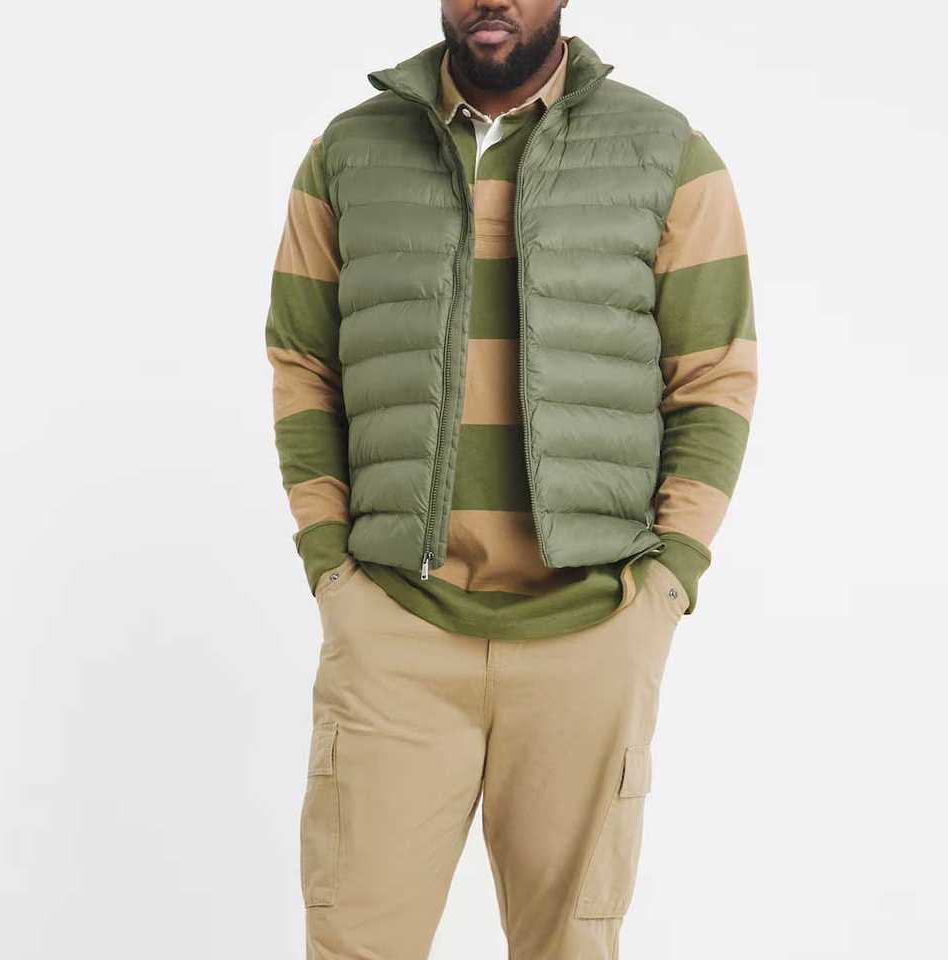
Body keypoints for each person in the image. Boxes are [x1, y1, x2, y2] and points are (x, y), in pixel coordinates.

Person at [265, 1, 757, 956]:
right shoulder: (348, 152)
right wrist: (330, 564)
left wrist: (669, 579)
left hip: (592, 626)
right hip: (395, 627)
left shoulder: (668, 152)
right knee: (356, 941)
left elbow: (714, 374)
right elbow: (303, 363)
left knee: (570, 946)